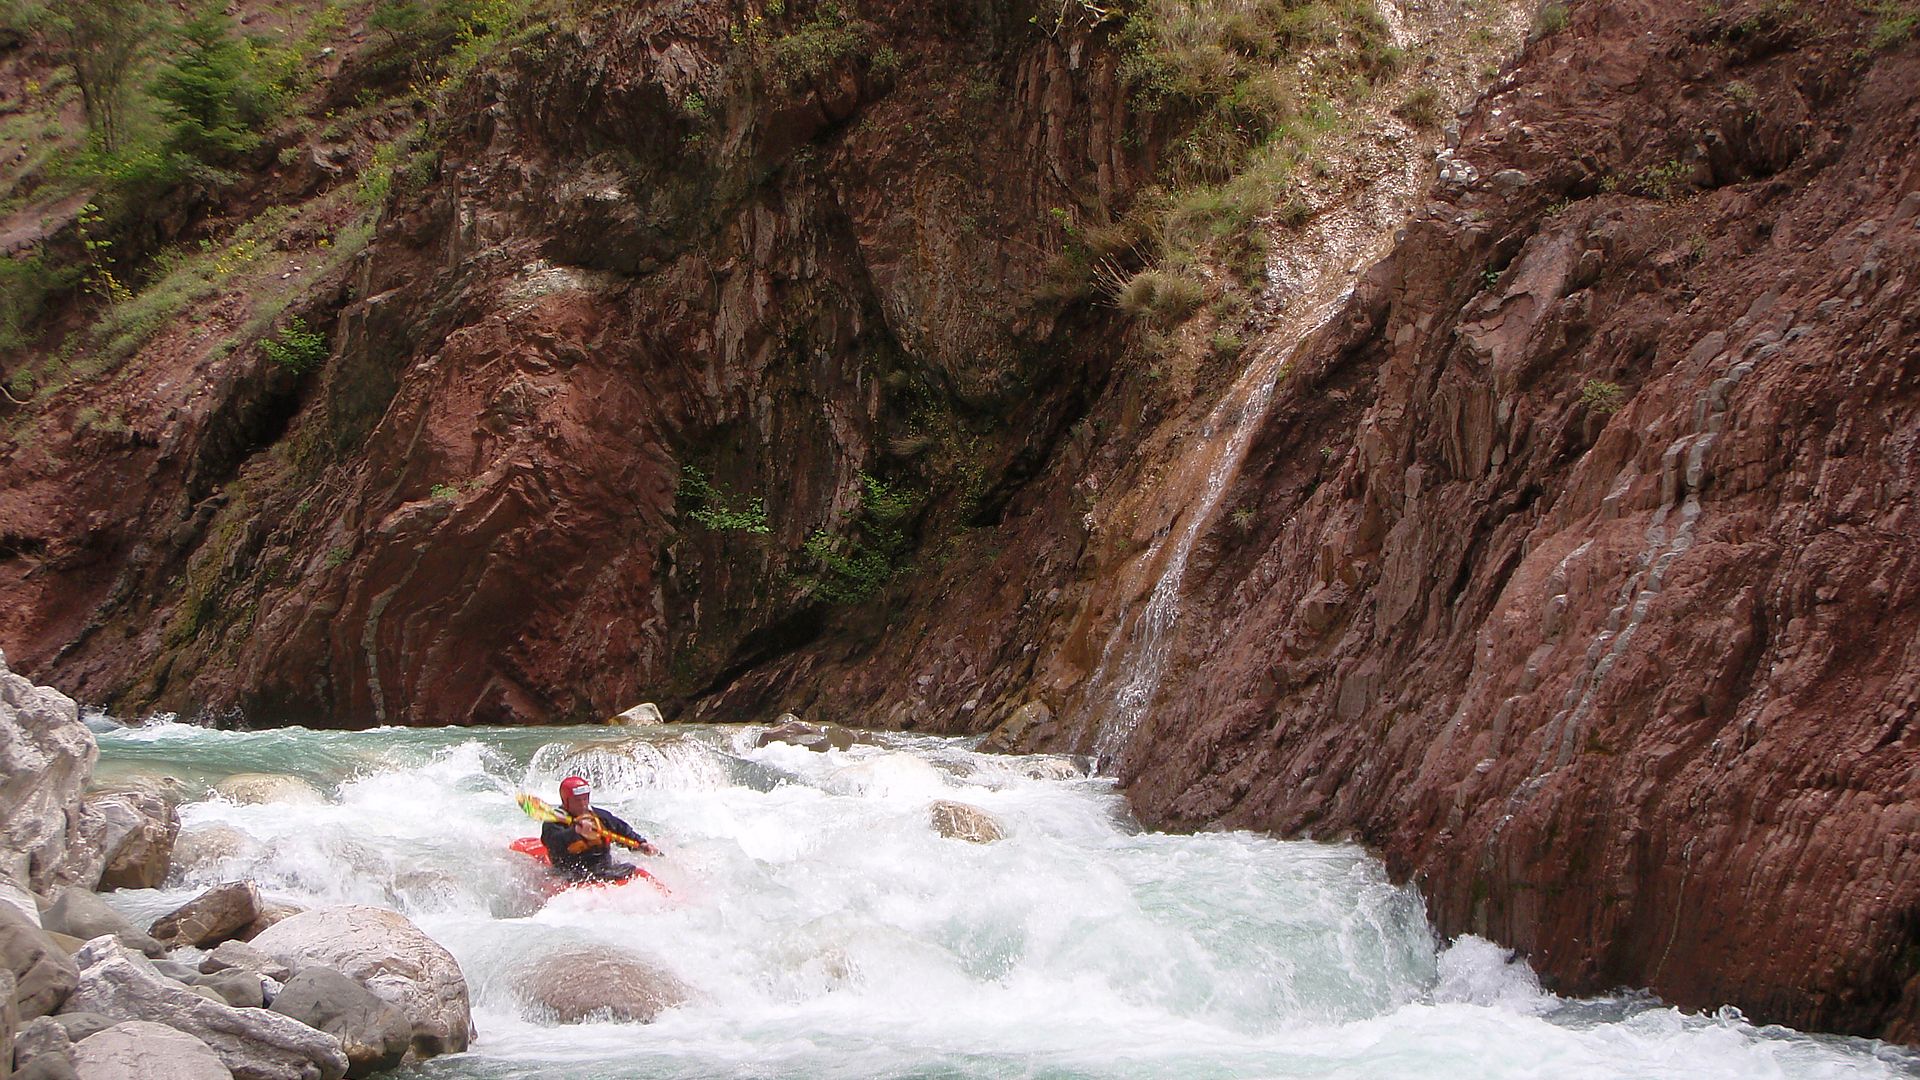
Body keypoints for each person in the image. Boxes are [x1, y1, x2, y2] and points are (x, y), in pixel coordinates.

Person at [540, 776, 661, 882]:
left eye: (585, 798)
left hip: (604, 869)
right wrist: (575, 832)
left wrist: (641, 844)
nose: (583, 803)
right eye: (578, 800)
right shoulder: (554, 822)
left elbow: (622, 830)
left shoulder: (600, 817)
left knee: (633, 870)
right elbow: (552, 841)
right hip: (571, 873)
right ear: (566, 801)